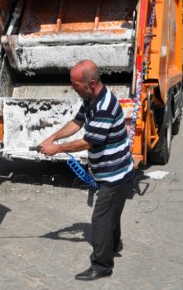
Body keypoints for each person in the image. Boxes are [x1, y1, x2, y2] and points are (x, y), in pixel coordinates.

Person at [38, 59, 135, 281]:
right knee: (112, 213)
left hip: (116, 174)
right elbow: (77, 122)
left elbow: (90, 141)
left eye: (76, 84)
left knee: (101, 219)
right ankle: (114, 243)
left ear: (91, 83)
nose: (73, 88)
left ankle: (102, 265)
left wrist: (57, 149)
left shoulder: (104, 106)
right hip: (108, 171)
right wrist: (53, 137)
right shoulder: (91, 99)